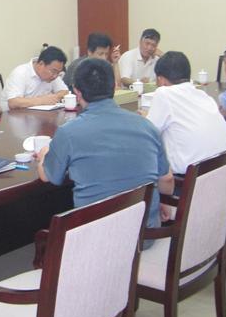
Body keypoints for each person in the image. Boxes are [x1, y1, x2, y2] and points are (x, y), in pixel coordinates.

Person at [36, 58, 175, 247]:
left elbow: (48, 176)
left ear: (77, 92)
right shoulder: (147, 126)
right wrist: (160, 202)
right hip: (145, 236)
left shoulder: (69, 133)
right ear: (114, 87)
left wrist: (44, 153)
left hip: (98, 243)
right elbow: (166, 179)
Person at [142, 51, 226, 176]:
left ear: (161, 80)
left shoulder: (164, 93)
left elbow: (148, 134)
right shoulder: (204, 95)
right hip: (225, 174)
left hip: (191, 181)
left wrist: (145, 120)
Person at [2, 46, 69, 110]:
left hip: (39, 115)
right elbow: (13, 102)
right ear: (41, 64)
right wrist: (42, 100)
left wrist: (53, 97)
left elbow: (65, 92)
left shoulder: (53, 75)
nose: (55, 76)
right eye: (53, 71)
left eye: (58, 73)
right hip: (13, 115)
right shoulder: (20, 73)